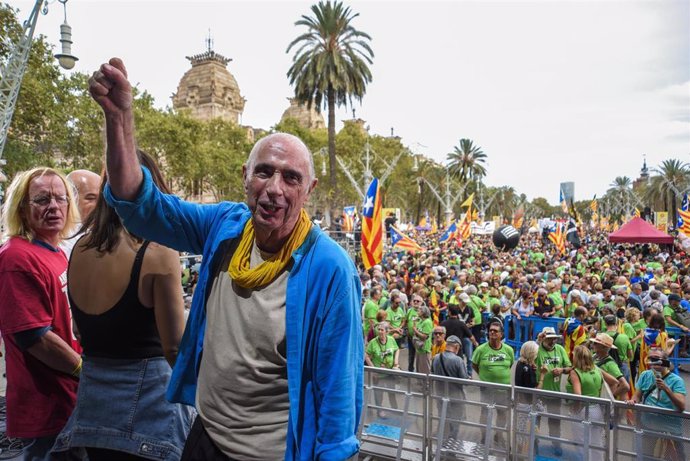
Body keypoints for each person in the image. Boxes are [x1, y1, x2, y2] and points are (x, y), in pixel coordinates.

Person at [89, 58, 363, 461]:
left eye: (291, 178)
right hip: (203, 440)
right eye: (264, 172)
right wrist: (119, 119)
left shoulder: (330, 268)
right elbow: (139, 204)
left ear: (310, 190)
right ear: (244, 177)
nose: (274, 189)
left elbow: (339, 389)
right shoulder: (225, 226)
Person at [52, 152, 194, 460]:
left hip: (93, 414)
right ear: (154, 190)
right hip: (149, 418)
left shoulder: (79, 250)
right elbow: (175, 349)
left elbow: (79, 328)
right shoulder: (157, 253)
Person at [0, 167, 83, 460]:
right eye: (42, 199)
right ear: (22, 208)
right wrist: (83, 371)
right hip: (45, 404)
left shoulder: (55, 251)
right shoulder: (16, 257)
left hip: (66, 399)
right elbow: (35, 337)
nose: (54, 206)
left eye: (60, 199)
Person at [626, 348, 686, 460]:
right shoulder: (645, 375)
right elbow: (638, 395)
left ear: (665, 361)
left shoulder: (677, 381)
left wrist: (666, 389)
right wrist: (633, 401)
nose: (653, 362)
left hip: (670, 429)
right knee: (646, 457)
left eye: (656, 359)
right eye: (650, 358)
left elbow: (681, 406)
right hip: (648, 426)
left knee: (676, 458)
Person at [431, 335, 469, 441]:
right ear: (456, 347)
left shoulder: (436, 358)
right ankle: (452, 442)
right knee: (455, 422)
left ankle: (442, 441)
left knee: (443, 418)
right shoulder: (458, 360)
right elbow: (464, 380)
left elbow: (432, 374)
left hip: (440, 395)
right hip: (455, 397)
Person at [62, 169, 101, 256]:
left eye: (102, 200)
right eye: (90, 198)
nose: (99, 205)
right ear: (70, 199)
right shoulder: (61, 240)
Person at [365, 322, 400, 416]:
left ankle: (395, 409)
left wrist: (396, 363)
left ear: (387, 332)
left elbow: (397, 349)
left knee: (392, 392)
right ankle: (379, 410)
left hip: (390, 372)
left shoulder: (391, 339)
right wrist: (373, 369)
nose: (379, 332)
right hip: (378, 374)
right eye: (378, 329)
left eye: (382, 330)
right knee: (378, 393)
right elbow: (366, 356)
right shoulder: (373, 342)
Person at [589, 333, 630, 400]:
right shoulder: (595, 357)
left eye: (596, 343)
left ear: (604, 347)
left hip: (602, 402)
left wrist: (611, 396)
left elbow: (625, 385)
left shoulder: (610, 364)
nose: (593, 344)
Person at [413, 306, 434, 374]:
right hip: (418, 348)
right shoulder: (420, 321)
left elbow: (424, 336)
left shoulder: (427, 322)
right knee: (419, 368)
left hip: (424, 349)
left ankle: (426, 383)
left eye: (419, 310)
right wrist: (414, 322)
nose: (417, 312)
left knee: (425, 369)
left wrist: (415, 330)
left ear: (423, 312)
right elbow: (415, 331)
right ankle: (420, 383)